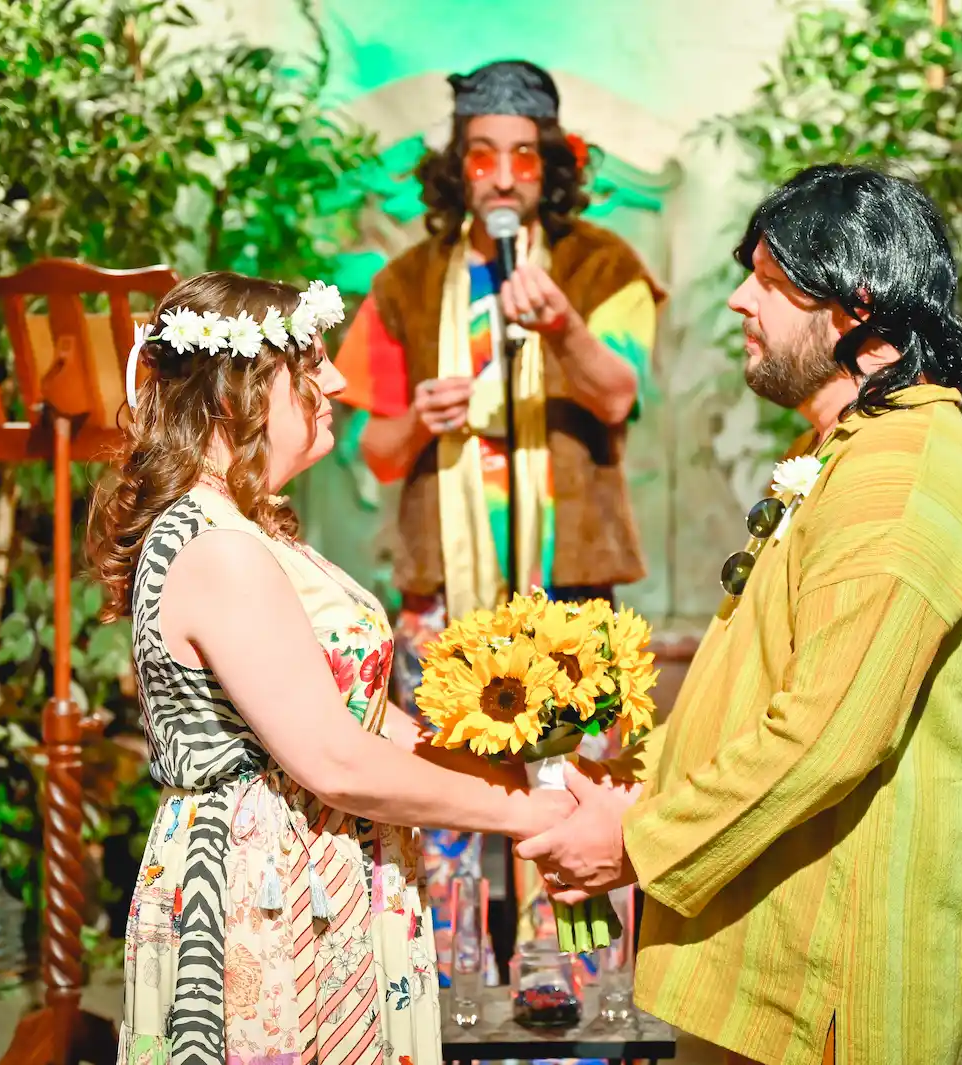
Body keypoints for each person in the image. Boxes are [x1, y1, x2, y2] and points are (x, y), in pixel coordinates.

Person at [519, 164, 962, 1065]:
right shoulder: (847, 449)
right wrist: (632, 780)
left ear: (856, 304)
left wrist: (633, 839)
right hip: (774, 940)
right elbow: (752, 678)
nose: (741, 302)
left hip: (833, 973)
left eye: (772, 282)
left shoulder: (901, 477)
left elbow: (826, 734)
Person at [87, 271, 573, 1065]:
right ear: (231, 392)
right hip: (264, 892)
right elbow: (335, 759)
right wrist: (528, 818)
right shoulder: (215, 546)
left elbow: (367, 718)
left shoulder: (253, 525)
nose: (339, 380)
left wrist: (536, 780)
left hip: (328, 870)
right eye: (309, 362)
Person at [332, 59, 664, 962]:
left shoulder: (605, 265)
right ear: (458, 167)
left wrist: (563, 325)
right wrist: (416, 421)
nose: (506, 174)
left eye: (524, 154)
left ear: (552, 165)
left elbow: (618, 393)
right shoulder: (405, 282)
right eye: (484, 155)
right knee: (442, 787)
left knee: (581, 788)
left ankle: (580, 985)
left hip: (573, 586)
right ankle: (450, 981)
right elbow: (375, 446)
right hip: (444, 590)